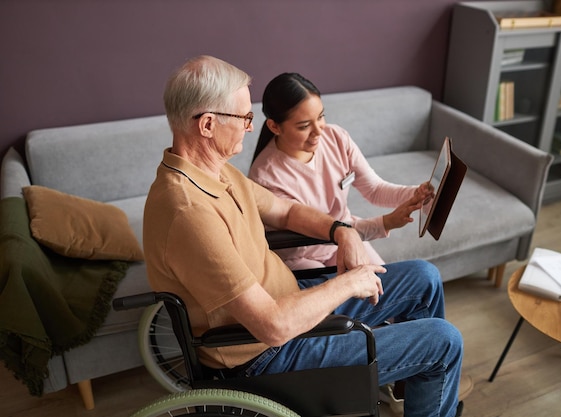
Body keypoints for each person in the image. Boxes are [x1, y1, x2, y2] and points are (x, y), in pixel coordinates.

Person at [143, 55, 464, 417]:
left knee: (424, 276)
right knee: (444, 342)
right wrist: (347, 284)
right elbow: (274, 326)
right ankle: (430, 385)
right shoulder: (189, 213)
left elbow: (285, 210)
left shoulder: (218, 172)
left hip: (294, 306)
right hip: (268, 354)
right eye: (245, 117)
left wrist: (341, 231)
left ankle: (419, 387)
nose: (251, 128)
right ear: (207, 125)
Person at [249, 72, 431, 270]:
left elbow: (374, 189)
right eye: (304, 126)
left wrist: (417, 195)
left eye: (320, 117)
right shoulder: (265, 178)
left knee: (385, 286)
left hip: (341, 238)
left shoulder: (336, 137)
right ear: (275, 126)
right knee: (350, 297)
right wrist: (385, 223)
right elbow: (321, 232)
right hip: (300, 254)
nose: (319, 131)